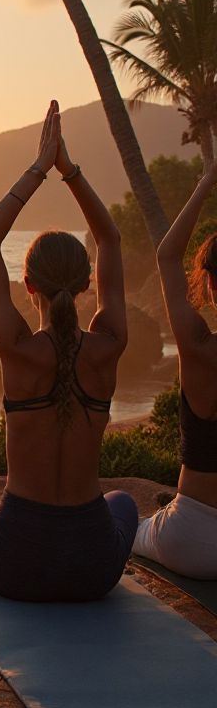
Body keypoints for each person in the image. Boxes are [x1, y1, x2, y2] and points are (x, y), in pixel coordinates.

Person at [0, 101, 137, 601]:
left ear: (28, 286)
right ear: (89, 283)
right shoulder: (110, 346)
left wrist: (38, 169)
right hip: (95, 569)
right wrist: (69, 172)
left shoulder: (18, 351)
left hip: (17, 564)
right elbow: (110, 238)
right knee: (122, 504)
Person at [132, 159, 217, 578]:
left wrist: (206, 180)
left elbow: (167, 255)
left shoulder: (199, 348)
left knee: (122, 519)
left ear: (211, 284)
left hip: (192, 538)